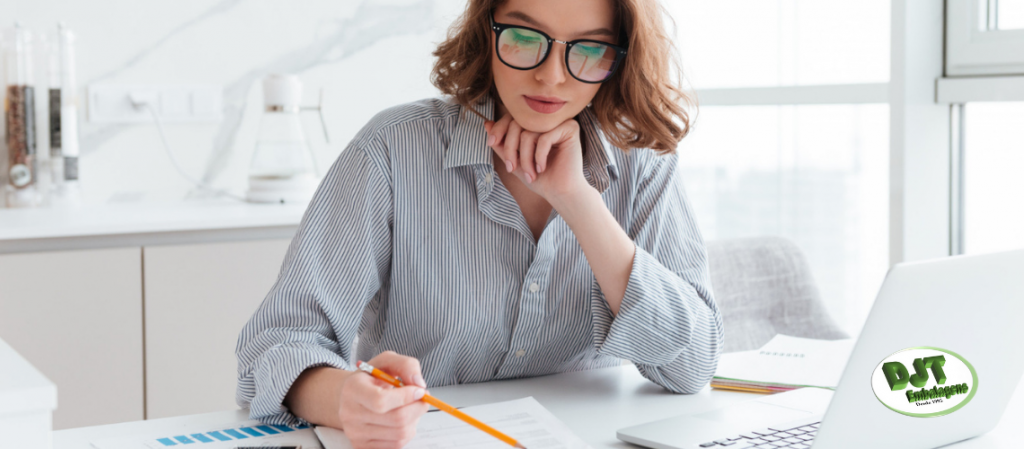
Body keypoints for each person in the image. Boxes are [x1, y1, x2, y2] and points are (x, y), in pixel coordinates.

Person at [235, 0, 723, 447]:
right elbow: (276, 346)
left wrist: (578, 201)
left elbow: (693, 363)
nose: (552, 77)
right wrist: (347, 398)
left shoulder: (644, 164)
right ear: (486, 32)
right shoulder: (392, 151)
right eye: (525, 39)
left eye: (590, 49)